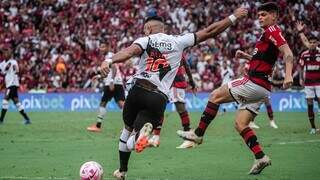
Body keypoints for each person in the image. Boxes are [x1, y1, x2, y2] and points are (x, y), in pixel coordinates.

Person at [99, 8, 248, 179]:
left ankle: (122, 170)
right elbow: (210, 31)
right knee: (137, 135)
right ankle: (142, 136)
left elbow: (129, 52)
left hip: (138, 90)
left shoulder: (145, 39)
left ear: (148, 29)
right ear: (163, 29)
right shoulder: (178, 41)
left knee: (126, 130)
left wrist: (109, 60)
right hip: (158, 97)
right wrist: (233, 16)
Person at [178, 2, 293, 175]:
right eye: (259, 15)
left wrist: (289, 75)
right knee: (241, 124)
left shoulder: (272, 31)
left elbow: (288, 53)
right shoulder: (267, 35)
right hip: (262, 88)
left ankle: (198, 134)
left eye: (264, 14)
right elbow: (264, 61)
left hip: (253, 83)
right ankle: (260, 157)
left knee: (215, 95)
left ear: (274, 16)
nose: (260, 17)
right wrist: (246, 56)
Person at [148, 54, 197, 149]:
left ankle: (189, 139)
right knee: (159, 108)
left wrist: (191, 81)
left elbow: (186, 65)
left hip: (175, 82)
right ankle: (155, 138)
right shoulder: (165, 47)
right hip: (166, 83)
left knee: (180, 108)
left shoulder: (175, 48)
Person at [87, 45, 125, 132]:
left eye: (103, 47)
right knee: (121, 104)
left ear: (108, 47)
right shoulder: (108, 56)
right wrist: (99, 76)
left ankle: (98, 126)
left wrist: (111, 81)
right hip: (116, 82)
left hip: (112, 83)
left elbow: (114, 68)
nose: (101, 49)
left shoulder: (109, 56)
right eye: (100, 47)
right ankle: (129, 126)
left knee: (103, 103)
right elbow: (109, 71)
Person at [237, 52, 278, 129]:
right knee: (251, 104)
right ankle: (251, 122)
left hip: (262, 85)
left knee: (267, 102)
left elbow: (271, 72)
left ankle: (271, 121)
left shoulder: (260, 63)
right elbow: (243, 72)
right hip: (250, 85)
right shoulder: (247, 64)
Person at [0, 48, 31, 125]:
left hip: (12, 84)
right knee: (16, 102)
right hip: (8, 84)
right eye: (5, 53)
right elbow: (3, 71)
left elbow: (16, 71)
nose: (6, 54)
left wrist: (11, 68)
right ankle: (27, 119)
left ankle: (1, 120)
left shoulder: (13, 62)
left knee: (5, 100)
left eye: (8, 53)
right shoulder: (2, 63)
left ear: (10, 54)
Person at [298, 36, 320, 134]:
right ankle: (313, 128)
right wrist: (300, 78)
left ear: (317, 43)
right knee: (310, 104)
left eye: (314, 42)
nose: (312, 44)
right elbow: (300, 67)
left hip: (319, 82)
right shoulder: (304, 54)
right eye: (310, 42)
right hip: (308, 83)